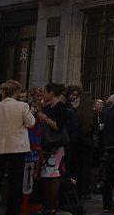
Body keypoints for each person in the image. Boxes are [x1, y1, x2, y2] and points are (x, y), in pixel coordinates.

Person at [0, 79, 35, 215]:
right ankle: (12, 211)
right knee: (15, 183)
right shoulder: (22, 106)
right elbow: (30, 123)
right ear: (17, 92)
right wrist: (32, 113)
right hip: (17, 148)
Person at [37, 83, 76, 215]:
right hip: (47, 144)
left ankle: (52, 204)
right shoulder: (49, 107)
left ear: (52, 93)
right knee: (46, 175)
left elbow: (58, 126)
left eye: (46, 92)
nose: (44, 94)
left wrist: (45, 118)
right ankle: (47, 202)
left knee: (54, 175)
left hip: (56, 144)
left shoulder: (61, 107)